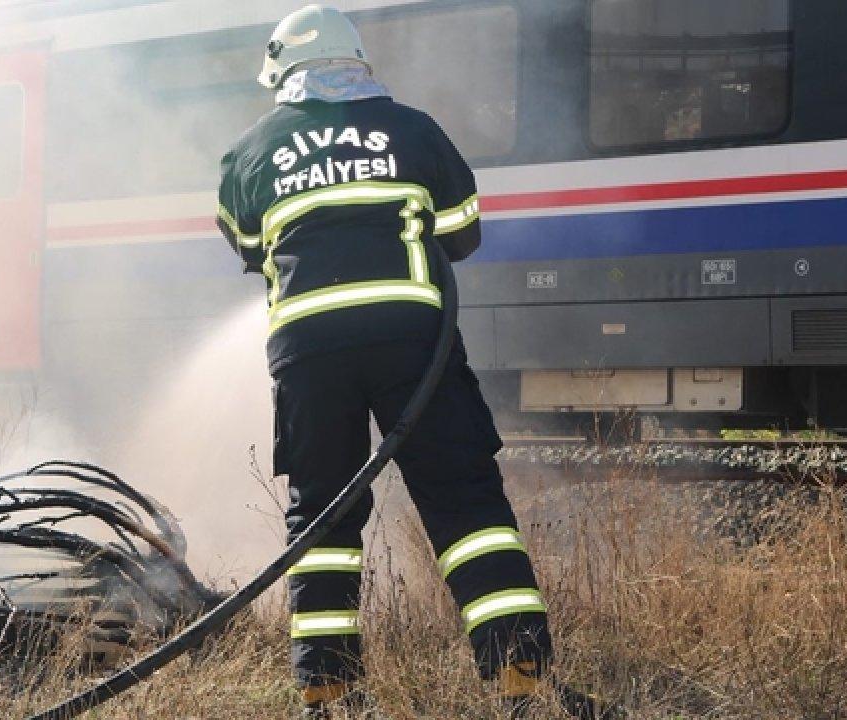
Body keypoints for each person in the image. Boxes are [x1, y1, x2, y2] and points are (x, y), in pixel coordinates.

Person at [215, 5, 608, 718]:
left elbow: (248, 248)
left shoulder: (249, 151)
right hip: (414, 345)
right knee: (465, 502)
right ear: (357, 62)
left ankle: (328, 693)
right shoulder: (413, 128)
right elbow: (461, 233)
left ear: (283, 71)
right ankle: (520, 676)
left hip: (308, 353)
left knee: (323, 520)